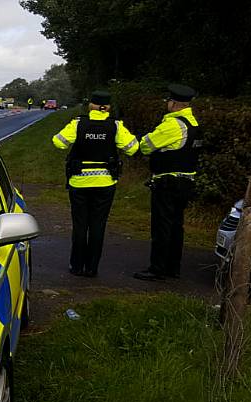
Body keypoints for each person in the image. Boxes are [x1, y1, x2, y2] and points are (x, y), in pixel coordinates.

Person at [53, 90, 139, 277]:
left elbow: (58, 142)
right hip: (105, 184)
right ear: (108, 107)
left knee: (80, 225)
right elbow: (133, 148)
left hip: (79, 182)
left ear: (90, 105)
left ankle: (76, 266)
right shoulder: (115, 126)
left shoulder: (78, 124)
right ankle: (92, 268)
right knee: (98, 225)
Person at [133, 84, 201, 281]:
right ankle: (173, 267)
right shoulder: (193, 122)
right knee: (176, 226)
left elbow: (145, 145)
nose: (167, 103)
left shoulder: (173, 125)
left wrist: (145, 140)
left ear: (175, 104)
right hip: (186, 182)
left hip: (167, 182)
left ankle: (157, 269)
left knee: (161, 226)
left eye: (169, 101)